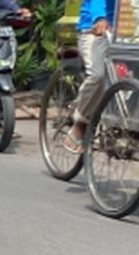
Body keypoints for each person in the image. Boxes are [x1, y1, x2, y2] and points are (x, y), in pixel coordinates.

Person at [65, 0, 116, 153]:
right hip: (94, 30)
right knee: (98, 75)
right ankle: (80, 122)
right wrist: (99, 18)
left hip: (123, 31)